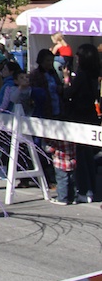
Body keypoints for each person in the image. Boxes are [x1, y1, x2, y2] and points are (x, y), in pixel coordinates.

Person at [61, 43, 100, 204]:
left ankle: (83, 189)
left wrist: (65, 81)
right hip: (90, 115)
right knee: (88, 155)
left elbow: (70, 93)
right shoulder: (94, 73)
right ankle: (91, 187)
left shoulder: (83, 75)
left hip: (79, 116)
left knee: (80, 156)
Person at [30, 49, 63, 119]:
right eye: (48, 60)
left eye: (52, 60)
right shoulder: (35, 74)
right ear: (41, 61)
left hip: (57, 107)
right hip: (44, 109)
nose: (50, 63)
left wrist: (60, 88)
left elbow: (59, 84)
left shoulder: (53, 72)